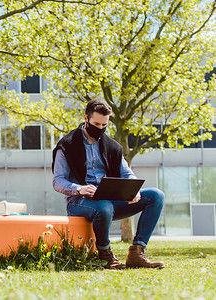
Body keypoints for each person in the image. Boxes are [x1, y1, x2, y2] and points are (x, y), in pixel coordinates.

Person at [52, 99, 165, 269]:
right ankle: (104, 254)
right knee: (103, 206)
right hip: (79, 202)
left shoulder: (112, 147)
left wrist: (134, 189)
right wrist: (79, 189)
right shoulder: (66, 145)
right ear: (86, 118)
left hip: (110, 202)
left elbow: (127, 173)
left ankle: (137, 253)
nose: (100, 129)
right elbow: (57, 180)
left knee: (156, 196)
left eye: (104, 125)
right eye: (96, 124)